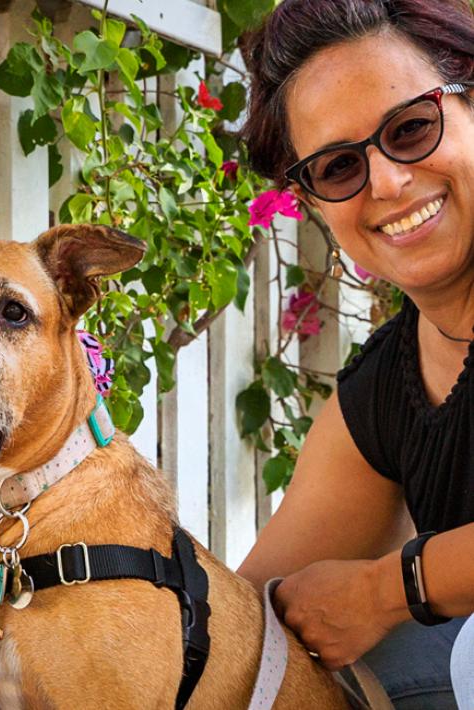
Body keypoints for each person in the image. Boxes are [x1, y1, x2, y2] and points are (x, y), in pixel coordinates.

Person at [236, 0, 473, 707]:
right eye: (339, 167)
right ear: (314, 203)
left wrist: (388, 588)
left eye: (410, 128)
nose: (387, 183)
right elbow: (241, 614)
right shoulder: (388, 388)